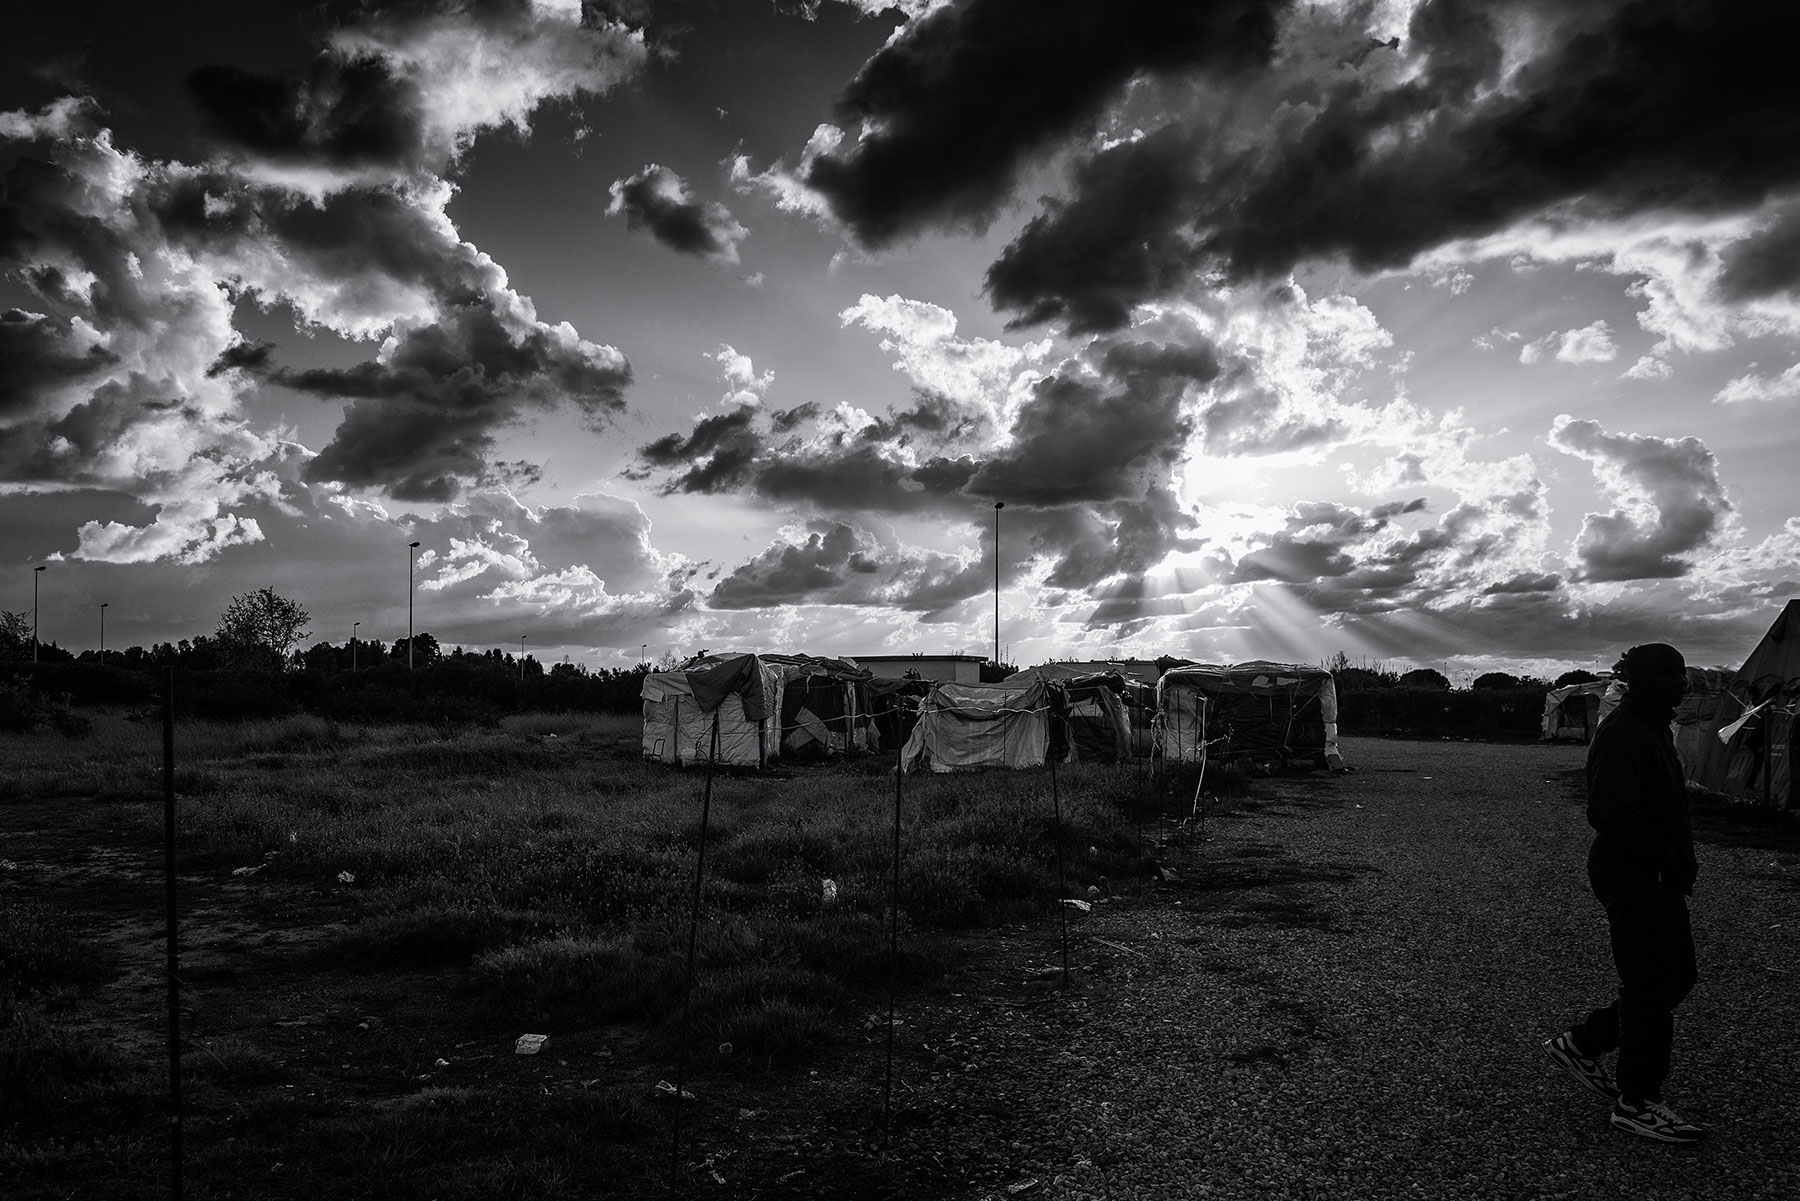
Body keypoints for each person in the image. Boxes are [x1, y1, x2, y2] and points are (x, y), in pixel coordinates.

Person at [1543, 642, 1706, 1142]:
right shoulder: (1626, 731)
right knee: (1650, 989)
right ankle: (1638, 1101)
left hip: (1656, 875)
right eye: (1672, 675)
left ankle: (1583, 1043)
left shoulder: (1652, 724)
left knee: (1676, 977)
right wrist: (1663, 856)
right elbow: (1610, 813)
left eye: (1683, 674)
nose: (1683, 684)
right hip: (1638, 876)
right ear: (1642, 679)